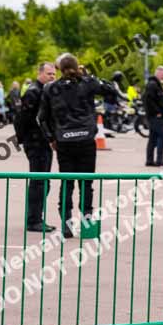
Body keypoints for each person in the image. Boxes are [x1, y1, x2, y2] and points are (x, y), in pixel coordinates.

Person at [38, 53, 119, 238]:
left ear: (58, 69)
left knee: (67, 183)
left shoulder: (51, 88)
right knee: (86, 184)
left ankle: (66, 225)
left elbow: (41, 118)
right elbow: (112, 91)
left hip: (64, 140)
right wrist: (89, 76)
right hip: (85, 140)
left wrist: (51, 138)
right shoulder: (88, 83)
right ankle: (86, 224)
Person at [15, 62, 56, 232]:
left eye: (54, 74)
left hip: (43, 142)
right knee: (39, 182)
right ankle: (33, 220)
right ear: (40, 73)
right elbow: (22, 118)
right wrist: (23, 139)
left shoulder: (46, 91)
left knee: (43, 182)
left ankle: (36, 217)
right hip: (36, 142)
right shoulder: (34, 91)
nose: (52, 77)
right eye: (49, 74)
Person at [144, 66, 163, 166]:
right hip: (155, 116)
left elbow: (159, 100)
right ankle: (159, 159)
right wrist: (157, 112)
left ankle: (150, 160)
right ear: (159, 73)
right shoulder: (152, 84)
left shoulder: (156, 84)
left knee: (153, 138)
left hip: (157, 116)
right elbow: (148, 100)